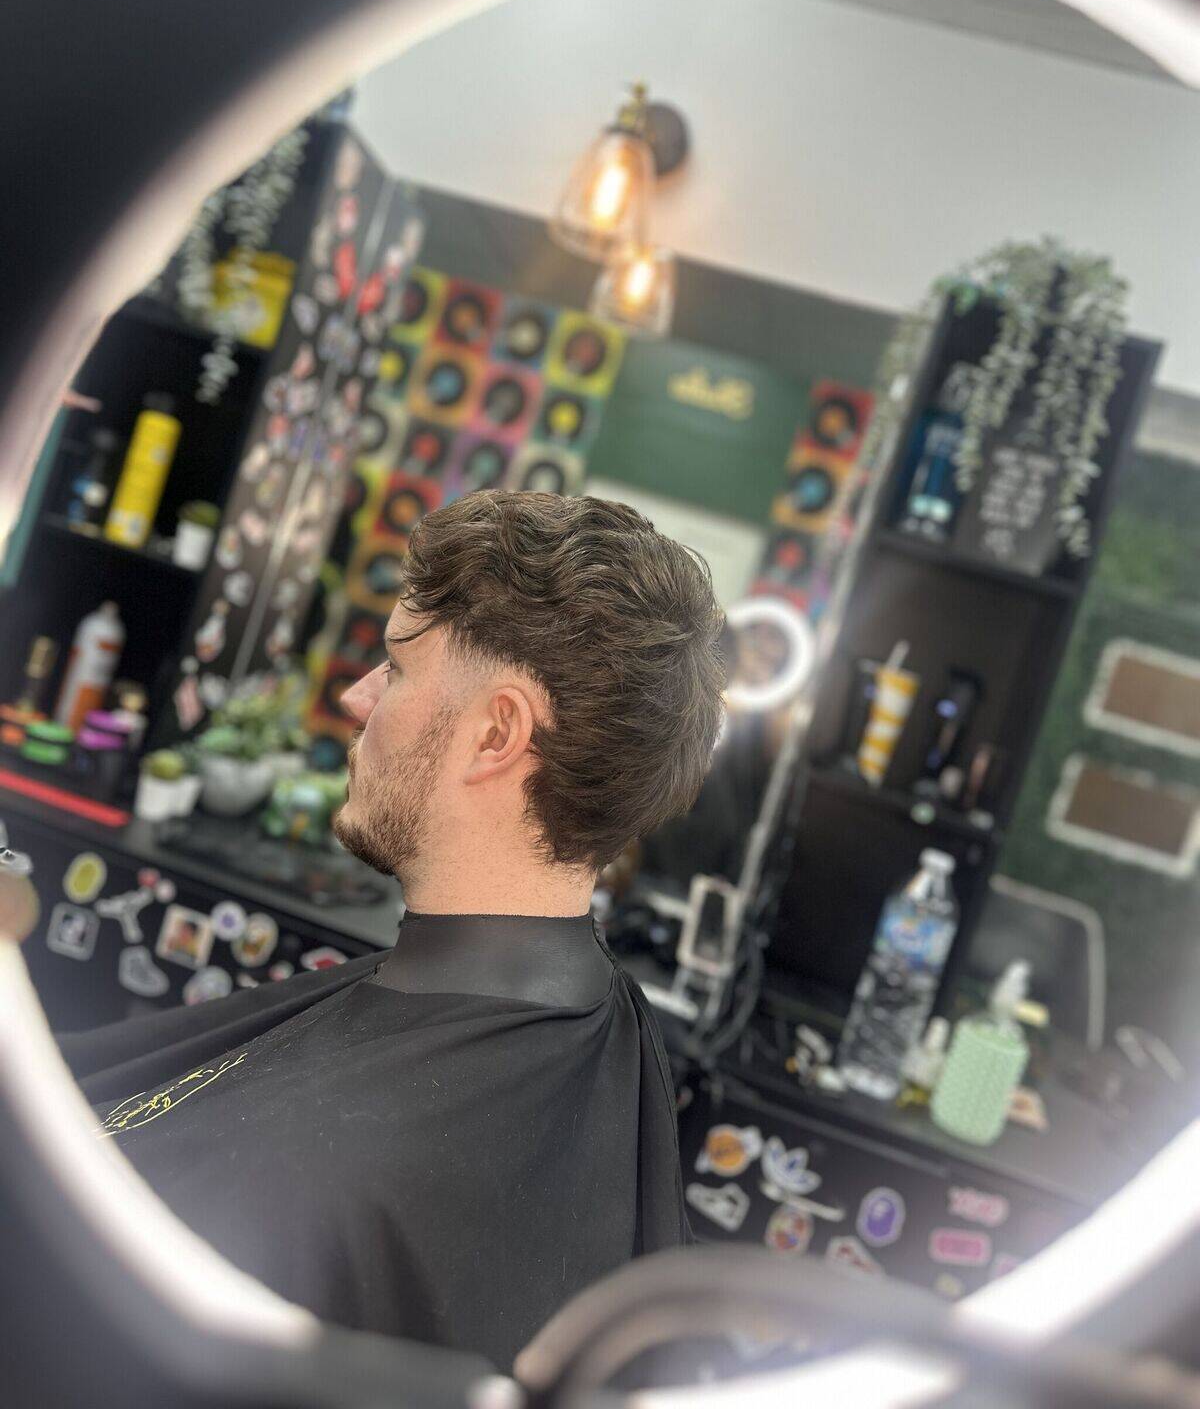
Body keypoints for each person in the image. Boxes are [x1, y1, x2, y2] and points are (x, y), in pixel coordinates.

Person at [59, 491, 727, 1370]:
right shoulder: (601, 1022)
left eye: (398, 668)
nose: (355, 695)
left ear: (496, 733)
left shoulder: (319, 1178)